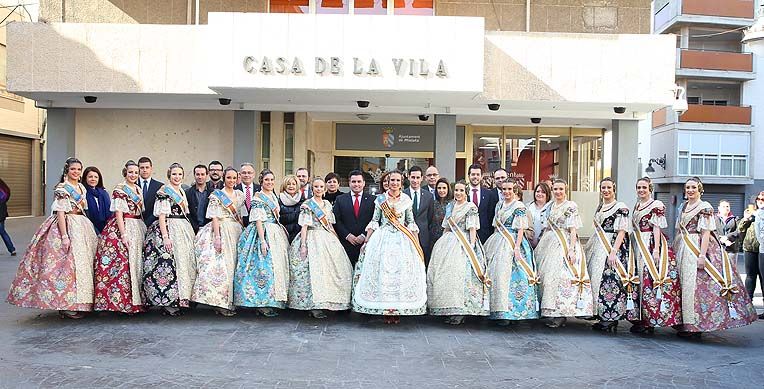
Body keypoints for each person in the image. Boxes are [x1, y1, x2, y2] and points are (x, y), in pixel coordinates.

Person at [7, 158, 98, 319]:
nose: (76, 172)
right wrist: (64, 236)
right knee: (65, 266)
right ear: (67, 171)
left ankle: (81, 302)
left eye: (78, 169)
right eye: (73, 169)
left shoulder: (81, 188)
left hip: (82, 225)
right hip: (66, 225)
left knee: (83, 266)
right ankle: (64, 305)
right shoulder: (63, 188)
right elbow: (61, 212)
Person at [673, 177, 757, 338]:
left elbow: (705, 233)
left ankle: (696, 325)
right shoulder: (683, 206)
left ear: (700, 189)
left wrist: (702, 256)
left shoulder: (705, 207)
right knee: (683, 284)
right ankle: (683, 323)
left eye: (693, 187)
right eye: (687, 187)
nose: (690, 190)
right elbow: (679, 229)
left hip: (697, 246)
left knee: (697, 288)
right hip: (682, 246)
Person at [352, 170, 427, 324]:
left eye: (397, 180)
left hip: (402, 239)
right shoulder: (381, 200)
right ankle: (385, 310)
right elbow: (375, 221)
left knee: (399, 275)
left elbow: (411, 223)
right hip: (382, 238)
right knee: (383, 274)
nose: (394, 183)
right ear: (388, 182)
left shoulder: (406, 200)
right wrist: (366, 242)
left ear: (401, 182)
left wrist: (417, 245)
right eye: (392, 180)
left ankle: (397, 309)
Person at [288, 177, 353, 318]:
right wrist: (303, 245)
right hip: (312, 237)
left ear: (324, 189)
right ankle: (313, 305)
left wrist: (336, 239)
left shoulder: (327, 205)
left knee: (332, 271)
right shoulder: (307, 204)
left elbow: (329, 225)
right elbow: (304, 226)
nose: (318, 189)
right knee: (313, 271)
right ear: (312, 189)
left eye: (321, 187)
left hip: (327, 238)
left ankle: (330, 302)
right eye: (316, 186)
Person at [427, 180, 490, 325]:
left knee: (460, 276)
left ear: (466, 192)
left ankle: (461, 311)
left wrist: (472, 246)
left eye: (461, 191)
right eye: (456, 190)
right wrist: (441, 243)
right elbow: (446, 227)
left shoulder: (470, 207)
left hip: (464, 242)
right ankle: (447, 308)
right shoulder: (450, 206)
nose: (458, 193)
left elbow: (473, 228)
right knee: (446, 276)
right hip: (449, 242)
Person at [535, 179, 593, 328]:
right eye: (555, 189)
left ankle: (561, 314)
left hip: (564, 243)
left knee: (562, 279)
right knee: (546, 277)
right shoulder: (550, 206)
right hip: (548, 243)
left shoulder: (571, 206)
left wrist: (572, 249)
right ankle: (549, 310)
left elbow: (573, 229)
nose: (558, 192)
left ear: (566, 189)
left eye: (561, 189)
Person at [628, 177, 682, 334]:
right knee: (637, 279)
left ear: (650, 188)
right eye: (639, 187)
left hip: (649, 243)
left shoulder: (656, 205)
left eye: (644, 187)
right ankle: (639, 318)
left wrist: (656, 249)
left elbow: (657, 228)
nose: (641, 190)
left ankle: (650, 320)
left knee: (648, 281)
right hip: (637, 243)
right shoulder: (637, 204)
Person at [142, 163, 197, 316]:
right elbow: (161, 215)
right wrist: (165, 236)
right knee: (169, 265)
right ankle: (168, 303)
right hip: (169, 227)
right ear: (169, 175)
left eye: (179, 174)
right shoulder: (164, 192)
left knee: (184, 264)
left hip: (183, 228)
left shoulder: (181, 190)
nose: (177, 177)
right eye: (174, 174)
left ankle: (181, 299)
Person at [93, 160, 147, 313]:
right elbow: (118, 213)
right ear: (125, 172)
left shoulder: (137, 188)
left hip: (137, 225)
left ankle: (138, 301)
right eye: (131, 172)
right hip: (124, 226)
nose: (133, 175)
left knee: (137, 264)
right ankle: (125, 302)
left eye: (136, 172)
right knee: (124, 265)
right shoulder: (120, 189)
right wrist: (123, 234)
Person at [234, 169, 289, 316]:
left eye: (272, 180)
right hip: (261, 233)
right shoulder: (258, 198)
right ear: (261, 182)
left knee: (275, 268)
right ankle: (261, 303)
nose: (270, 182)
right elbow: (258, 219)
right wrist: (263, 240)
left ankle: (273, 301)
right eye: (266, 180)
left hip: (275, 232)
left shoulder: (273, 195)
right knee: (262, 269)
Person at [584, 178, 636, 332]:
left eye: (608, 187)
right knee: (597, 279)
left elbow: (621, 231)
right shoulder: (601, 206)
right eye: (603, 188)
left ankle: (611, 317)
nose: (605, 190)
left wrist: (614, 251)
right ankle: (601, 315)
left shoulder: (620, 207)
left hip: (612, 246)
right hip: (598, 244)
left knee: (610, 281)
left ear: (614, 189)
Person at [484, 179, 539, 323]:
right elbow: (496, 225)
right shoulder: (499, 205)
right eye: (504, 189)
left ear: (514, 190)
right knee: (495, 275)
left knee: (510, 276)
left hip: (513, 241)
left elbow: (521, 228)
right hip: (498, 240)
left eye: (509, 189)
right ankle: (496, 310)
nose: (506, 192)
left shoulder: (519, 206)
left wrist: (516, 247)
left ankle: (511, 312)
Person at [192, 167, 245, 316]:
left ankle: (233, 300)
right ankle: (222, 303)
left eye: (234, 178)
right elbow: (214, 216)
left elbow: (240, 216)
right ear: (224, 178)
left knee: (234, 266)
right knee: (223, 267)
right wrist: (217, 237)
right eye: (229, 178)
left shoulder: (239, 195)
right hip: (221, 230)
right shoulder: (217, 195)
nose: (232, 181)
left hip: (236, 231)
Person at [333, 170, 375, 267]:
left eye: (359, 181)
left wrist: (364, 236)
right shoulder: (340, 199)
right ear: (349, 183)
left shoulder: (373, 200)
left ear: (364, 183)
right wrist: (347, 235)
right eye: (353, 181)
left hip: (365, 244)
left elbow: (374, 220)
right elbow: (336, 220)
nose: (356, 184)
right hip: (346, 244)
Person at [404, 166, 436, 264]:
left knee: (422, 265)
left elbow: (430, 218)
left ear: (422, 178)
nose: (415, 180)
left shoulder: (428, 196)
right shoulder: (402, 195)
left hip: (423, 237)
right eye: (413, 177)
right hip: (406, 236)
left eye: (418, 177)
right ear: (408, 177)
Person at [738, 193, 764, 313]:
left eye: (762, 199)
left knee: (763, 278)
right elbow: (740, 229)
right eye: (758, 199)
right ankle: (748, 306)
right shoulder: (751, 212)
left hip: (762, 249)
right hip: (749, 248)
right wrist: (745, 219)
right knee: (750, 276)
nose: (760, 201)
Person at [467, 164, 498, 243]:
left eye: (478, 174)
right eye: (473, 174)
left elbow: (491, 215)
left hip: (484, 235)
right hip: (466, 234)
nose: (475, 177)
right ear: (468, 176)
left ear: (481, 176)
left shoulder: (489, 194)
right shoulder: (462, 193)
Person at [82, 166, 112, 234]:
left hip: (105, 229)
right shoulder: (82, 192)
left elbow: (110, 213)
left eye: (96, 177)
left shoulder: (104, 193)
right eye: (90, 177)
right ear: (85, 178)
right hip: (88, 229)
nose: (93, 179)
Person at [185, 164, 212, 233]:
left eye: (202, 174)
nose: (200, 177)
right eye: (197, 174)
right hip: (192, 229)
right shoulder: (187, 193)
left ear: (207, 175)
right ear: (194, 175)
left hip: (209, 229)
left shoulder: (213, 193)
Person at [138, 157, 164, 227]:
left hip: (153, 224)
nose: (144, 170)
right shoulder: (132, 185)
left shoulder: (160, 186)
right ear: (138, 169)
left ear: (151, 168)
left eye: (147, 167)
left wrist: (147, 223)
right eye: (142, 168)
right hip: (135, 224)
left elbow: (159, 209)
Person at [235, 162, 262, 227]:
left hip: (257, 226)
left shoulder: (260, 189)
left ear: (254, 174)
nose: (247, 175)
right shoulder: (234, 190)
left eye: (249, 173)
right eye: (244, 173)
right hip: (239, 225)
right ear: (240, 175)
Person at [279, 174, 304, 242]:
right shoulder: (278, 200)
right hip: (283, 237)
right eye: (288, 184)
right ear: (284, 186)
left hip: (299, 237)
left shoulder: (303, 201)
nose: (291, 186)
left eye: (293, 184)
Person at [430, 178, 451, 256]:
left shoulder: (452, 204)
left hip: (448, 240)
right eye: (439, 188)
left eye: (444, 188)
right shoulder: (432, 203)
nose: (441, 190)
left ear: (448, 189)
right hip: (434, 240)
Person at [527, 182, 551, 248]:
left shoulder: (551, 208)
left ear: (547, 194)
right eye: (538, 191)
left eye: (543, 192)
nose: (540, 194)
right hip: (529, 243)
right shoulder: (528, 206)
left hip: (545, 244)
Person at [0, 178, 16, 256]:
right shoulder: (4, 189)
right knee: (3, 232)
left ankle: (12, 249)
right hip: (2, 213)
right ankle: (12, 249)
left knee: (2, 231)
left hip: (1, 213)